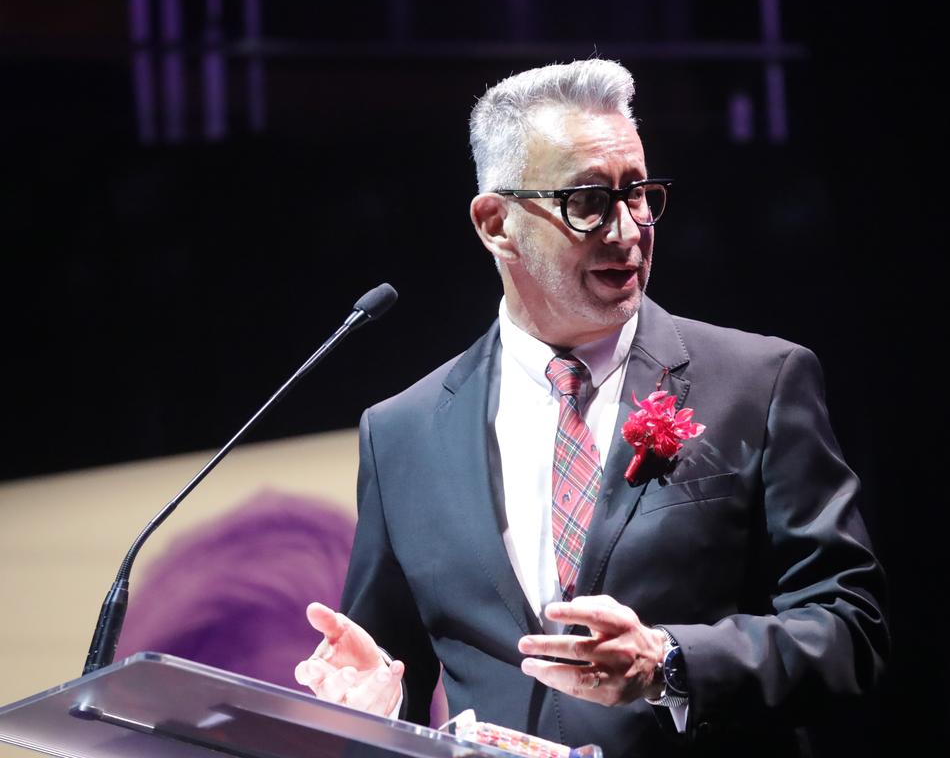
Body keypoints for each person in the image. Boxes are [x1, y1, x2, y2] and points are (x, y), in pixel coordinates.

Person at [294, 59, 888, 756]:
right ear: (496, 224)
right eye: (588, 203)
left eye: (638, 193)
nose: (628, 229)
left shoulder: (758, 383)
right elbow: (391, 669)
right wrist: (374, 709)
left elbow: (851, 634)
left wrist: (668, 661)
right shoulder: (401, 434)